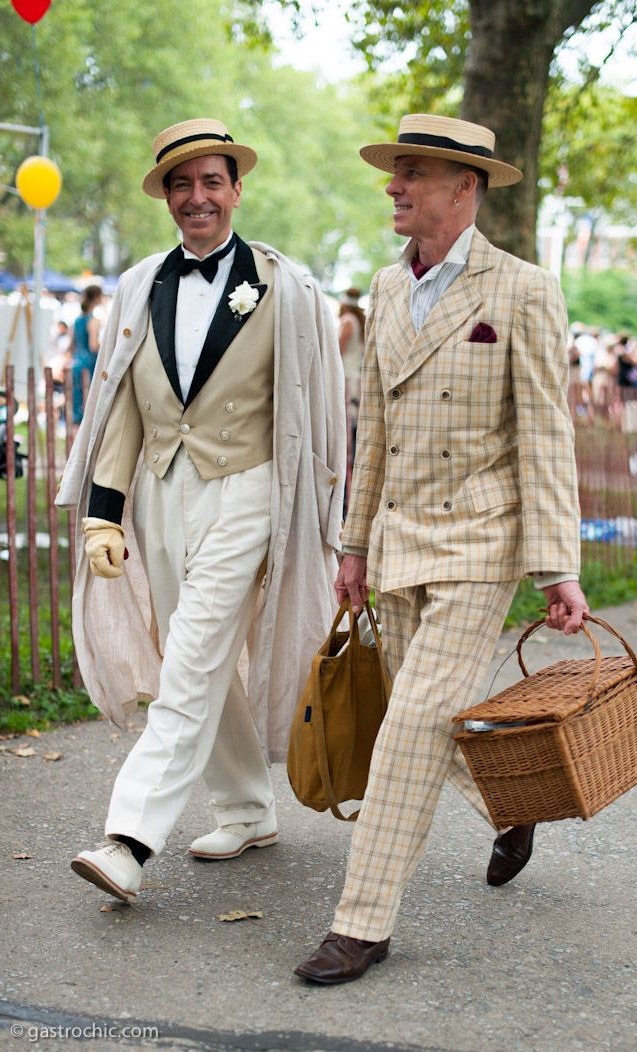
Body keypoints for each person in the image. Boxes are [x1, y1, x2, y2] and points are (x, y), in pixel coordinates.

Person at [294, 113, 589, 985]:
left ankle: (362, 923)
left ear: (466, 187)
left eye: (411, 172)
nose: (394, 185)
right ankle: (511, 809)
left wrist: (556, 565)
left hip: (478, 544)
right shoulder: (387, 289)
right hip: (397, 547)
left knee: (412, 725)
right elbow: (373, 430)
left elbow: (545, 435)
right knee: (435, 722)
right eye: (394, 171)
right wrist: (353, 545)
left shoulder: (524, 290)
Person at [56, 118, 346, 903]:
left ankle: (128, 838)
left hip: (250, 487)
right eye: (181, 185)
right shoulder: (139, 282)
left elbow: (315, 407)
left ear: (237, 189)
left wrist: (332, 513)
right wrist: (103, 512)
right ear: (166, 197)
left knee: (187, 659)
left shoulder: (286, 285)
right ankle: (249, 810)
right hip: (159, 489)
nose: (197, 197)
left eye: (211, 182)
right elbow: (120, 400)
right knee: (202, 654)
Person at [337, 287, 366, 510]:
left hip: (346, 382)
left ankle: (347, 499)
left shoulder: (347, 321)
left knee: (345, 442)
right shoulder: (362, 323)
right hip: (356, 382)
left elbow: (336, 352)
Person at [70, 284, 103, 425]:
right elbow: (94, 346)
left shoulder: (77, 320)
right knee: (88, 402)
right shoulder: (93, 320)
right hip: (89, 363)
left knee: (77, 401)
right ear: (96, 297)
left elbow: (72, 344)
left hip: (77, 362)